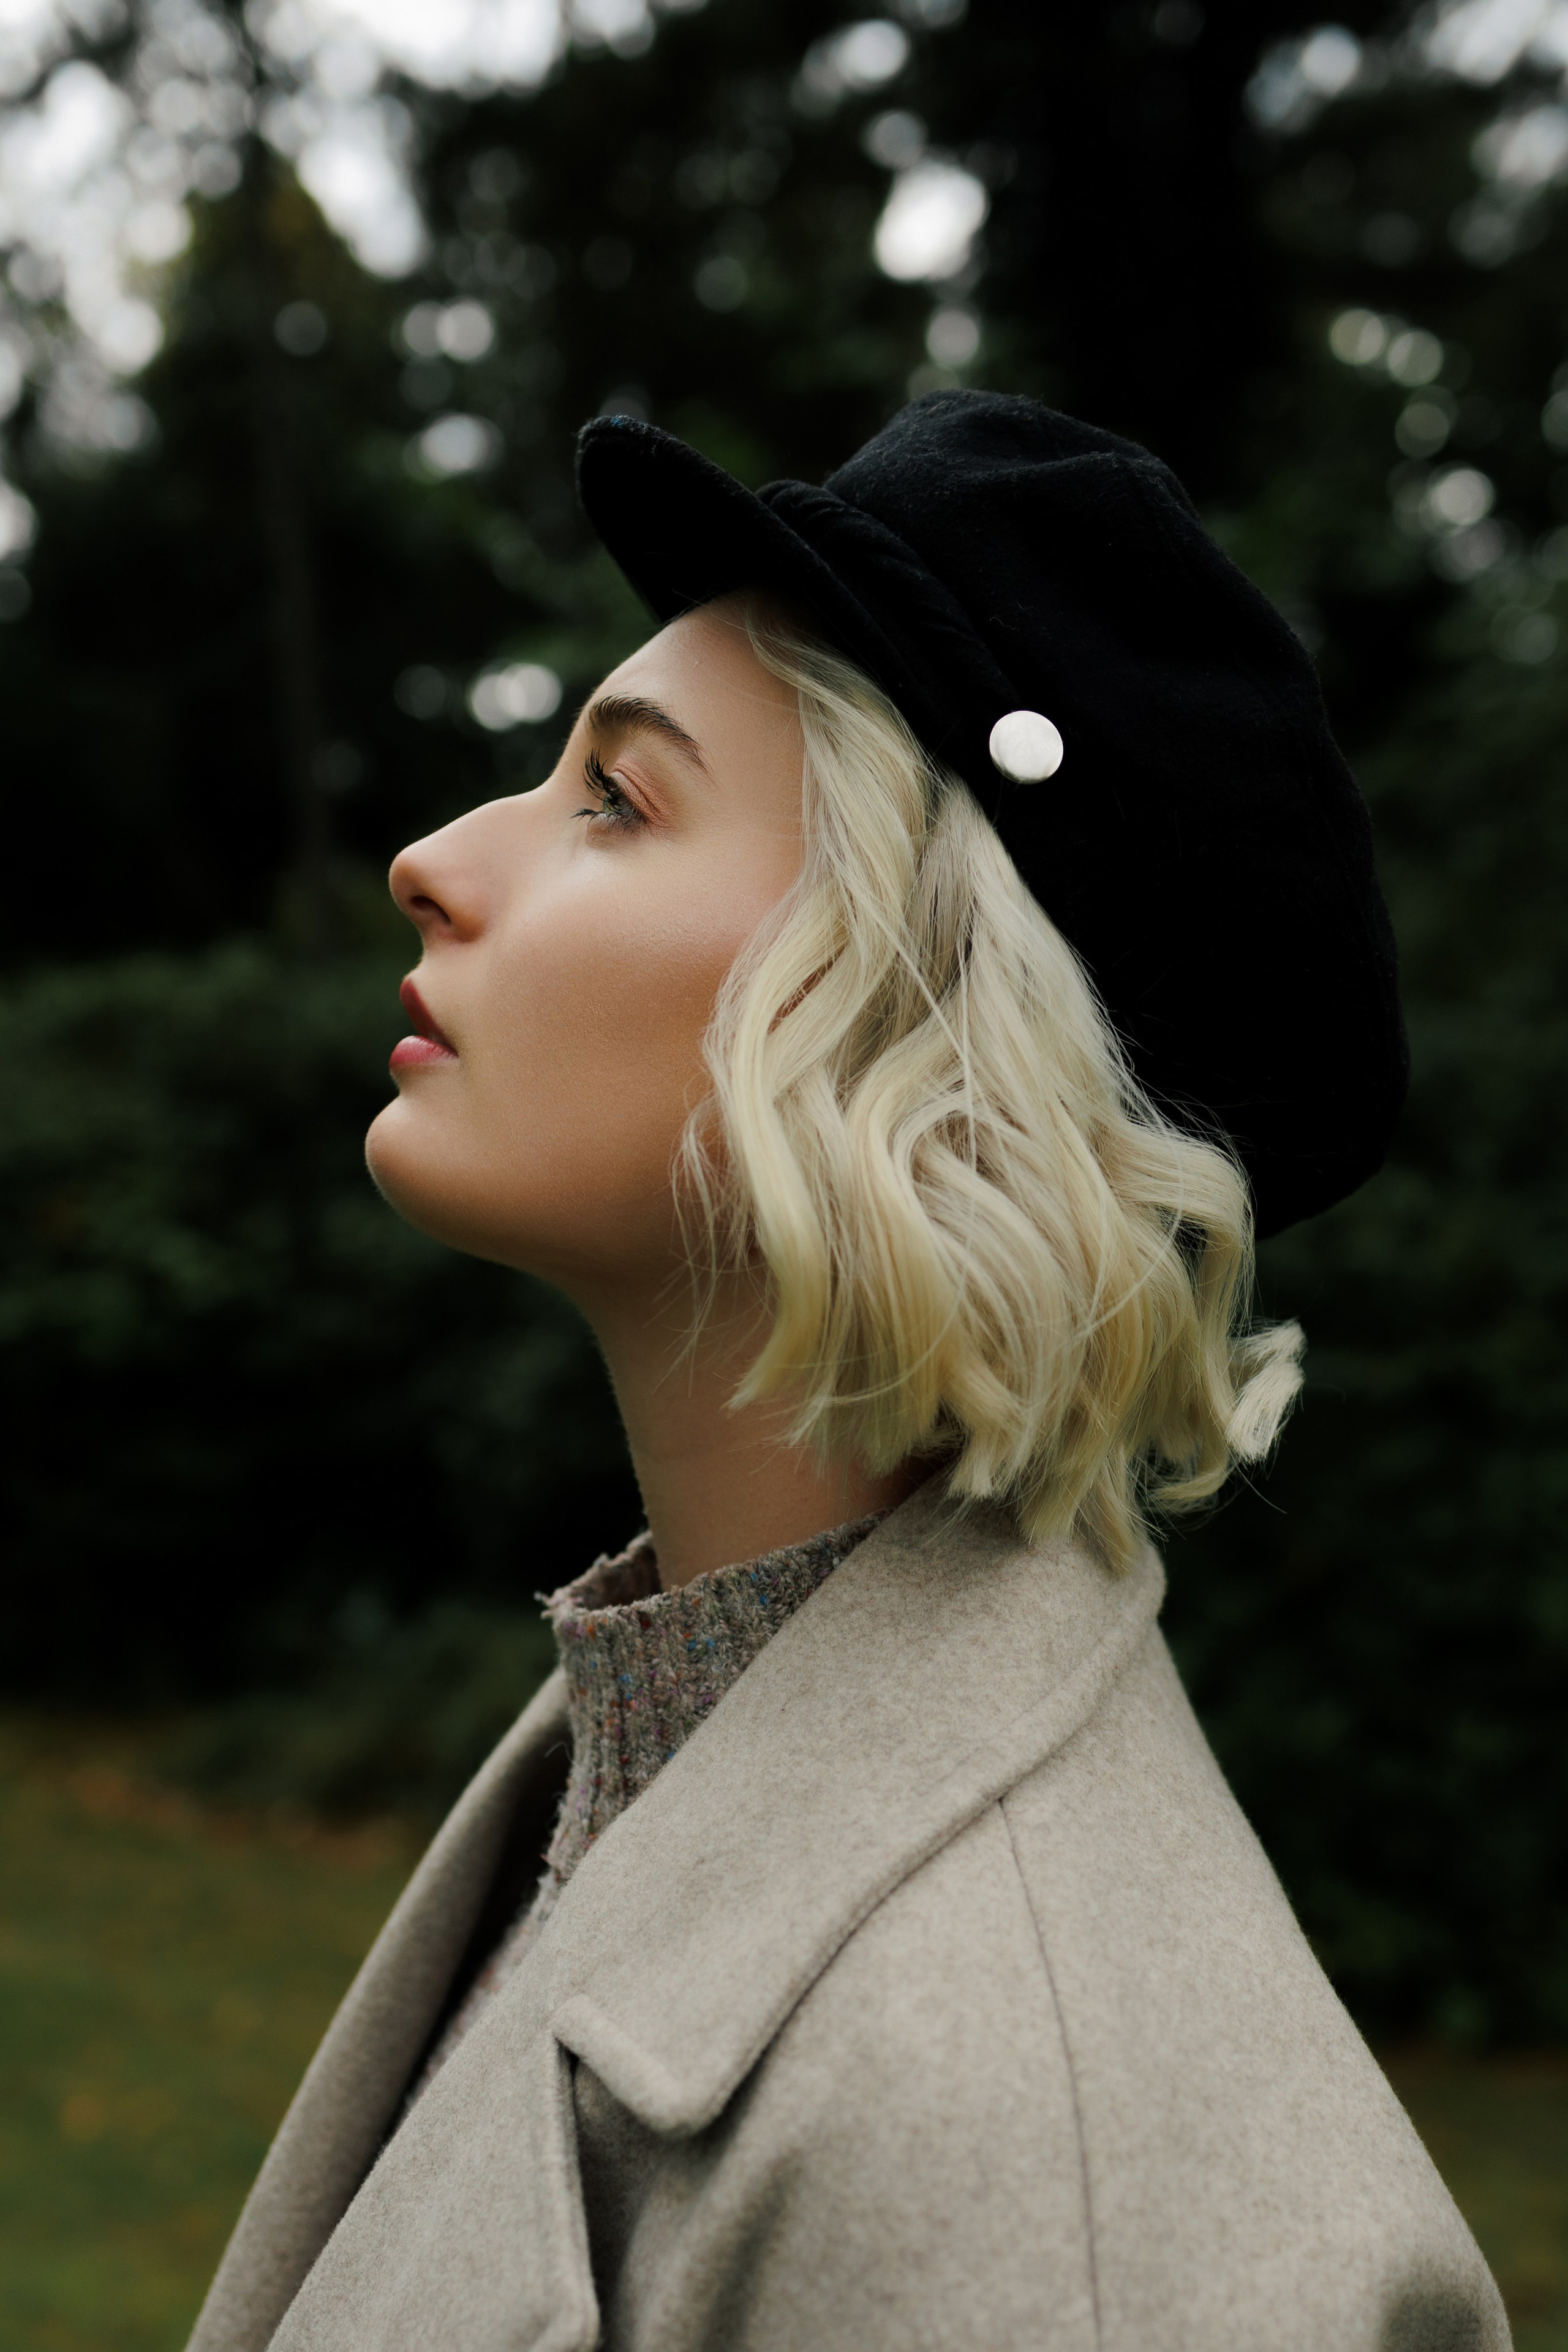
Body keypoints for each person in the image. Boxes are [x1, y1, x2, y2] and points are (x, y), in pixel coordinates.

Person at [187, 394, 1508, 2352]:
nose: (433, 861)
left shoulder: (1047, 2189)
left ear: (930, 1031)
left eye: (618, 800)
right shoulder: (643, 1753)